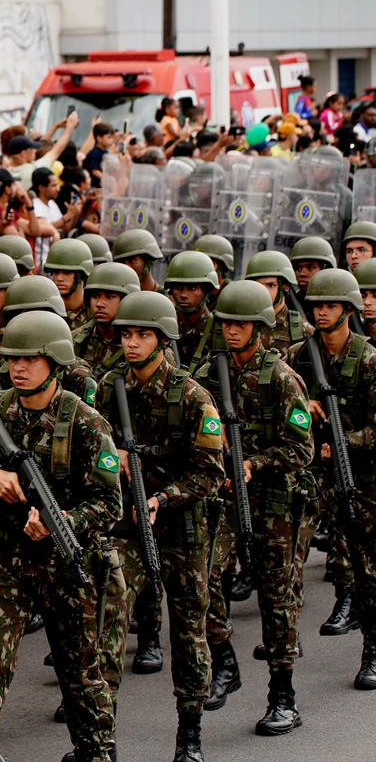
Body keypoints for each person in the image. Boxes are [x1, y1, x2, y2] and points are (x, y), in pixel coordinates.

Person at [0, 311, 120, 762]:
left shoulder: (86, 423)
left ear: (56, 362)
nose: (18, 367)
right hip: (6, 557)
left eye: (30, 358)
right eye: (12, 359)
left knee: (80, 671)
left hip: (65, 561)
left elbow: (110, 504)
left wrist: (62, 520)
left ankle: (96, 753)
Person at [94, 292, 225, 760]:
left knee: (189, 631)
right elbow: (93, 451)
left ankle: (189, 735)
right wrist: (117, 463)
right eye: (126, 334)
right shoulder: (111, 388)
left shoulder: (193, 397)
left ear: (162, 340)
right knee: (108, 624)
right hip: (129, 525)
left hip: (181, 527)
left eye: (141, 334)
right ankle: (99, 739)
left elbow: (211, 473)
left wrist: (162, 497)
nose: (130, 343)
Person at [190, 281, 318, 734]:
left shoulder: (282, 378)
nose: (231, 330)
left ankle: (283, 695)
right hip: (224, 500)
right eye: (225, 322)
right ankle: (224, 662)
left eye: (240, 323)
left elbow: (301, 450)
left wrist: (254, 462)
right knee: (204, 582)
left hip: (274, 503)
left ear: (260, 327)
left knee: (276, 599)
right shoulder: (209, 372)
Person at [288, 269, 376, 690]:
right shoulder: (299, 355)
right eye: (317, 305)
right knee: (289, 555)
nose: (322, 312)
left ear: (348, 310)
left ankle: (373, 650)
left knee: (367, 566)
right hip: (310, 471)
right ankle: (283, 644)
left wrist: (345, 441)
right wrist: (301, 400)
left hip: (361, 474)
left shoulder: (370, 359)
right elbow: (279, 401)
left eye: (331, 306)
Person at [72, 262, 141, 378]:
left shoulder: (142, 345)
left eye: (110, 297)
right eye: (95, 296)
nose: (99, 304)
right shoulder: (75, 341)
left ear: (127, 300)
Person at [167, 251, 225, 372]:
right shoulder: (164, 328)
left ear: (207, 291)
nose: (183, 295)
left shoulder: (220, 332)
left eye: (193, 288)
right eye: (178, 288)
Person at [244, 251, 307, 357]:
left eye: (270, 285)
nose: (263, 291)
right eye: (257, 285)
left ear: (286, 287)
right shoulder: (240, 323)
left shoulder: (302, 330)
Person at [7, 112, 78, 184]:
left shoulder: (6, 172)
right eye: (31, 149)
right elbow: (56, 150)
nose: (35, 151)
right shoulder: (30, 171)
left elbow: (44, 144)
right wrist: (70, 127)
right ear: (23, 154)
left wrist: (55, 126)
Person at [44, 237, 95, 327]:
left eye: (67, 272)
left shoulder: (95, 314)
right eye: (56, 272)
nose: (59, 278)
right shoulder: (46, 311)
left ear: (81, 275)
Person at [113, 229, 165, 293]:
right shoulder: (115, 298)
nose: (126, 267)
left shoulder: (167, 299)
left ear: (148, 262)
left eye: (132, 261)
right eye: (121, 262)